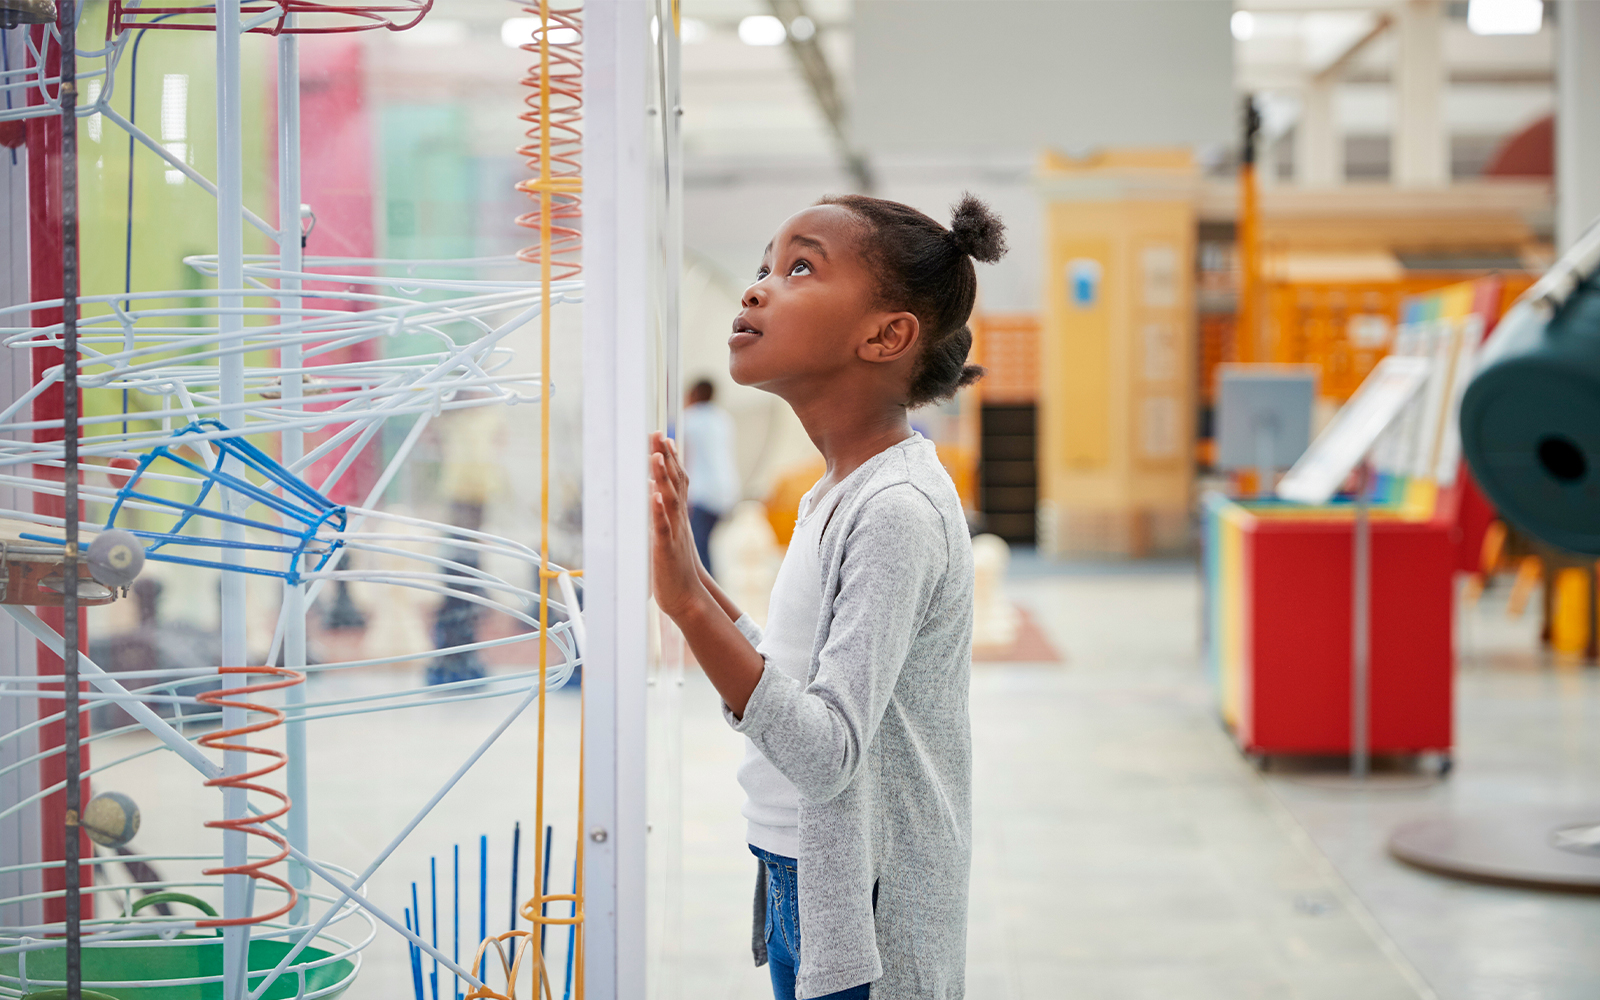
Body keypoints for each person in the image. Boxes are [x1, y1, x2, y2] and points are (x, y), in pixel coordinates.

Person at [649, 193, 1006, 1000]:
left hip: (865, 919)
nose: (758, 288)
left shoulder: (896, 512)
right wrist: (685, 568)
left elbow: (826, 751)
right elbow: (792, 675)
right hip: (803, 881)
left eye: (799, 267)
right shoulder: (838, 491)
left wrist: (689, 608)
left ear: (885, 335)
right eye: (764, 267)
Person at [680, 378, 740, 575]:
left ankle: (708, 594)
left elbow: (684, 458)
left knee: (698, 550)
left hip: (701, 493)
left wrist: (682, 496)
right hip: (727, 491)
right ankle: (713, 589)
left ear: (694, 395)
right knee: (707, 547)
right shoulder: (723, 418)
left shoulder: (690, 419)